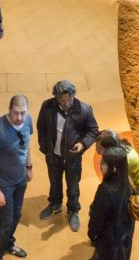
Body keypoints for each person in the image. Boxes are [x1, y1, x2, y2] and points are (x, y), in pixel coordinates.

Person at [36, 80, 99, 233]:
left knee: (73, 187)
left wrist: (83, 144)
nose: (65, 103)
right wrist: (45, 148)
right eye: (61, 100)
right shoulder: (47, 107)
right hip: (53, 157)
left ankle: (72, 211)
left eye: (68, 99)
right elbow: (41, 127)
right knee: (54, 183)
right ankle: (55, 205)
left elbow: (93, 131)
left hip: (72, 158)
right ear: (56, 98)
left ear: (73, 95)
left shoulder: (84, 110)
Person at [0, 95, 34, 260]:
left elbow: (27, 143)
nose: (20, 117)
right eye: (16, 113)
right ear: (9, 109)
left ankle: (8, 243)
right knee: (5, 221)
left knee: (17, 214)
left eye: (23, 112)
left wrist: (29, 166)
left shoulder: (28, 120)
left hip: (20, 179)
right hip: (4, 184)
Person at [83, 147, 134, 260]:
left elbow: (98, 217)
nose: (100, 165)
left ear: (113, 168)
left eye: (104, 163)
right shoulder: (126, 183)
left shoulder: (106, 190)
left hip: (108, 237)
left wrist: (93, 234)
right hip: (122, 233)